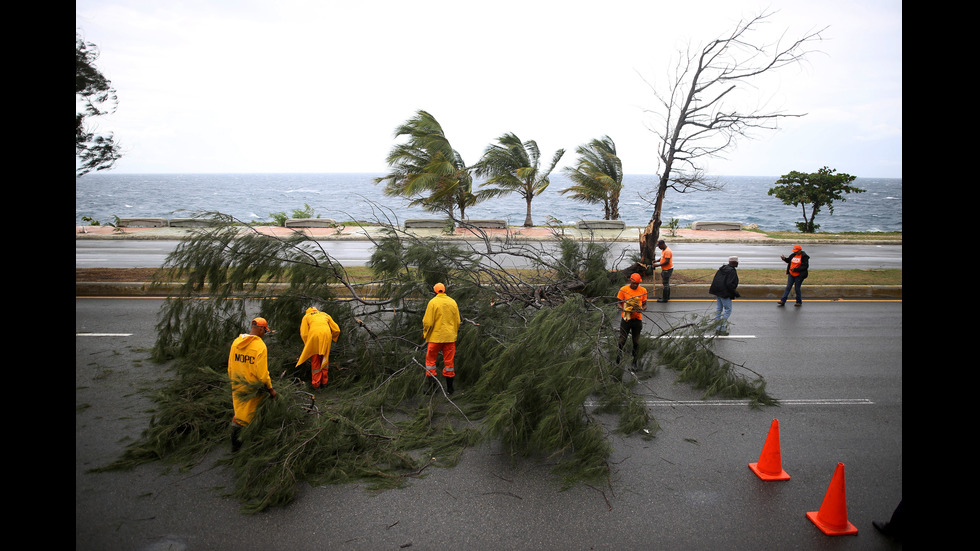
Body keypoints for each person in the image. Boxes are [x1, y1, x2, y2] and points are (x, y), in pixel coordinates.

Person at [228, 317, 277, 452]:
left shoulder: (236, 342)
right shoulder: (259, 346)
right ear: (261, 329)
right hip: (254, 388)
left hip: (238, 385)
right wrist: (270, 389)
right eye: (264, 331)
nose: (264, 334)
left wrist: (233, 381)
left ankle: (235, 447)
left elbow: (230, 367)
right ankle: (256, 448)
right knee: (255, 416)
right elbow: (262, 373)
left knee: (239, 415)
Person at [422, 282, 461, 395]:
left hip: (435, 338)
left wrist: (425, 333)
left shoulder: (433, 302)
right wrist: (453, 333)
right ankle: (450, 389)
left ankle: (432, 388)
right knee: (449, 363)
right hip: (450, 338)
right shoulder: (452, 302)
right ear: (444, 290)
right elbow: (457, 321)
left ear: (435, 291)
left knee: (430, 362)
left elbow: (428, 322)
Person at [296, 306, 341, 390]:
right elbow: (337, 330)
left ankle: (316, 385)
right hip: (326, 336)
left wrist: (307, 344)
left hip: (314, 337)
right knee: (325, 358)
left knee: (315, 360)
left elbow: (304, 334)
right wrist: (333, 338)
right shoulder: (325, 314)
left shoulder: (307, 316)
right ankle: (324, 382)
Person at [616, 272, 648, 367]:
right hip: (626, 320)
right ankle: (618, 357)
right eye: (634, 283)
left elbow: (645, 304)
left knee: (636, 342)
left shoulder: (643, 290)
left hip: (637, 320)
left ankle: (634, 361)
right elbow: (618, 303)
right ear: (631, 281)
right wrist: (623, 309)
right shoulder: (623, 289)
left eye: (637, 284)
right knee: (622, 340)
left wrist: (642, 308)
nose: (636, 285)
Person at [708, 257, 740, 334]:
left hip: (718, 292)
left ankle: (717, 328)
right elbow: (730, 284)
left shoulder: (722, 269)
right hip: (725, 294)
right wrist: (735, 293)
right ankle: (721, 329)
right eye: (737, 262)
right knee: (728, 310)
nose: (738, 263)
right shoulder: (732, 271)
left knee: (718, 310)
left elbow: (716, 280)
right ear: (734, 263)